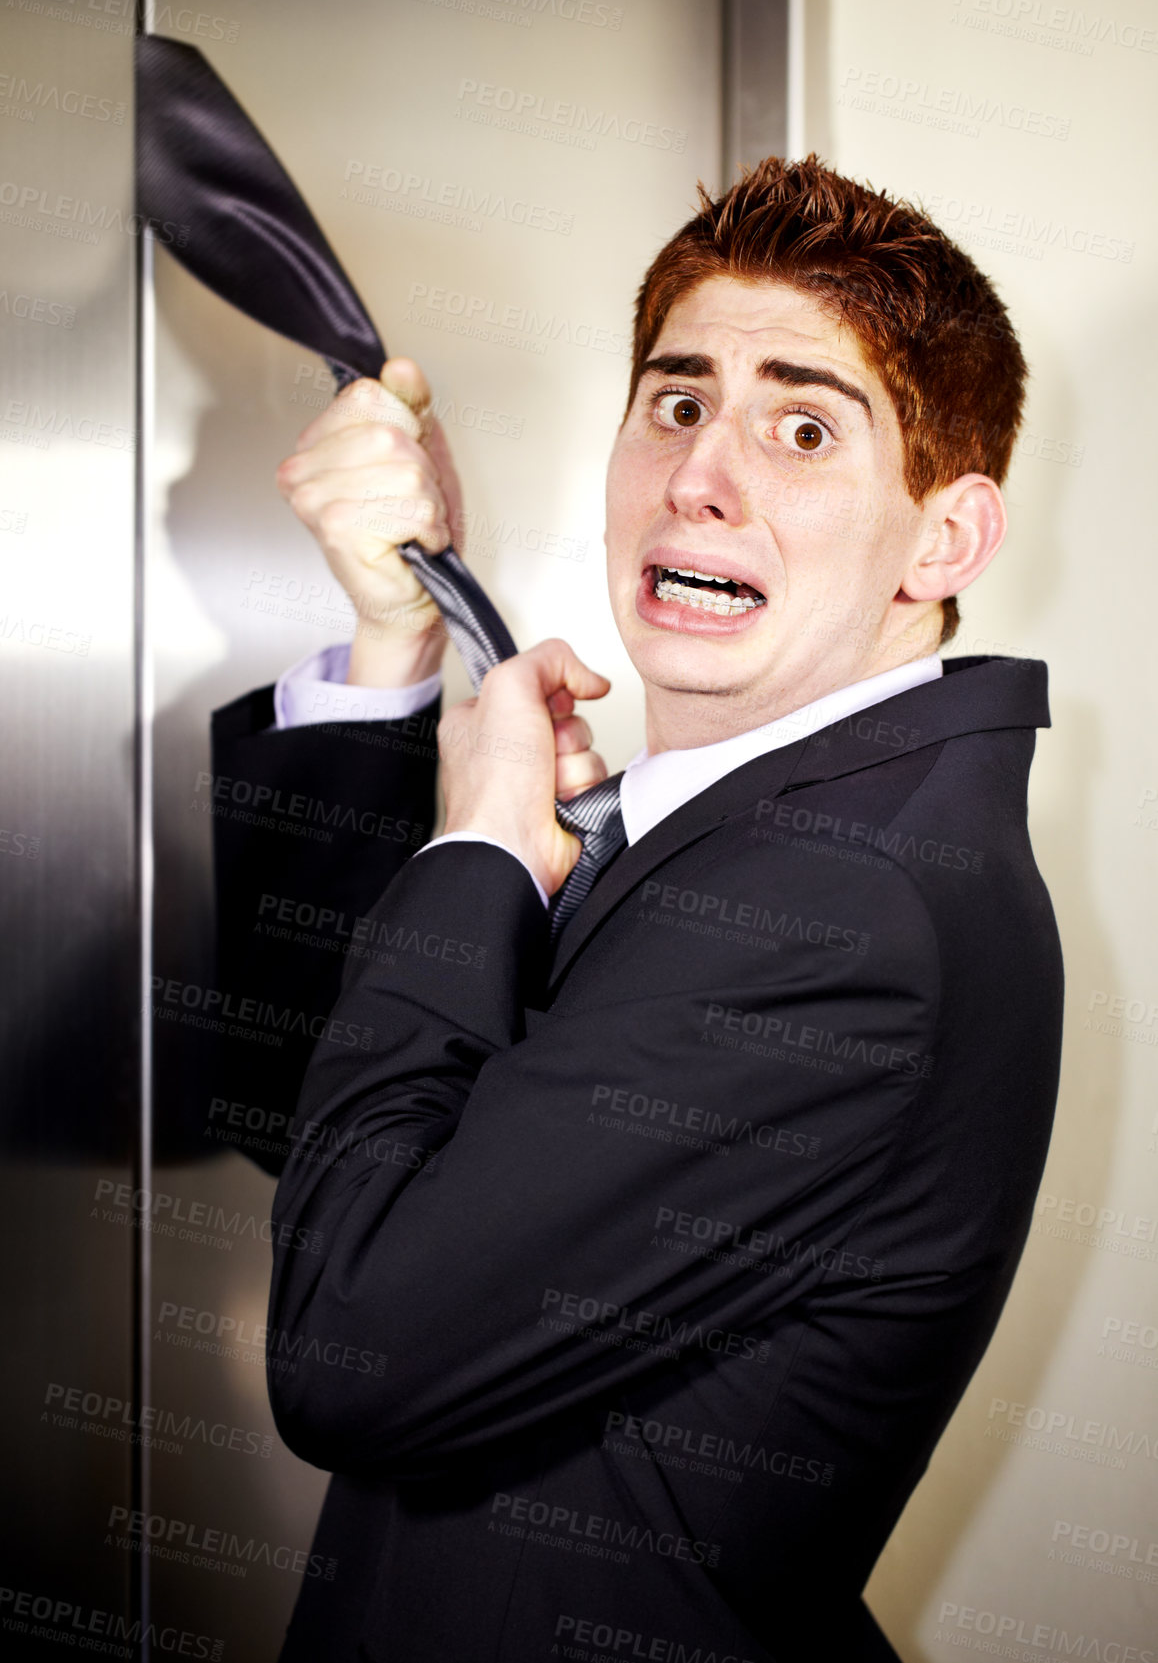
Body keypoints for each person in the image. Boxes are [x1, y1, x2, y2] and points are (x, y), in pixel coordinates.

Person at [211, 155, 1063, 1661]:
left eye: (802, 427)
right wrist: (393, 641)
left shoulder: (836, 910)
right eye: (676, 403)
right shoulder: (764, 829)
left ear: (943, 538)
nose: (700, 477)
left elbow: (348, 1349)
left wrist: (472, 852)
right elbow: (316, 1114)